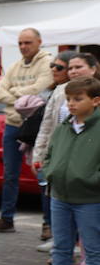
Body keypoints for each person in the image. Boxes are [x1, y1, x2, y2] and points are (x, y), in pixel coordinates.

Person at [27, 77, 100, 265]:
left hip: (90, 199)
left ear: (96, 101)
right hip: (59, 196)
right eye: (69, 99)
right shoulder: (64, 127)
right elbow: (50, 153)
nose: (71, 103)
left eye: (78, 99)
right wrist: (50, 171)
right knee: (61, 246)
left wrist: (90, 179)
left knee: (93, 249)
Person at [0, 28, 52, 233]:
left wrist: (14, 93)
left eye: (28, 42)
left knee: (42, 173)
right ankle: (6, 219)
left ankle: (48, 224)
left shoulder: (47, 63)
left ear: (39, 42)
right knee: (10, 174)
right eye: (20, 43)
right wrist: (22, 97)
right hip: (13, 124)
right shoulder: (15, 66)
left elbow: (40, 90)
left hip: (37, 126)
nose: (23, 47)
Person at [33, 53, 94, 251]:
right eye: (71, 68)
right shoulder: (60, 91)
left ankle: (82, 246)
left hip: (86, 159)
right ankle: (62, 241)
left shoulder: (96, 94)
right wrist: (40, 154)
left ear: (93, 69)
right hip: (60, 155)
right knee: (56, 200)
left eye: (79, 67)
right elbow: (47, 124)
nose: (73, 71)